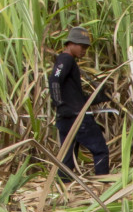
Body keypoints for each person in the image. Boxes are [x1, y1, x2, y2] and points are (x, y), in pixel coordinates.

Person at [47, 26, 112, 177]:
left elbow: (74, 96)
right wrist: (58, 103)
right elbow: (54, 80)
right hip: (77, 117)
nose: (84, 50)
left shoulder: (67, 61)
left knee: (67, 157)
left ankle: (65, 188)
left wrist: (98, 97)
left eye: (86, 47)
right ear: (70, 44)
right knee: (100, 149)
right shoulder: (66, 59)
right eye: (81, 46)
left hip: (67, 117)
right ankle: (104, 185)